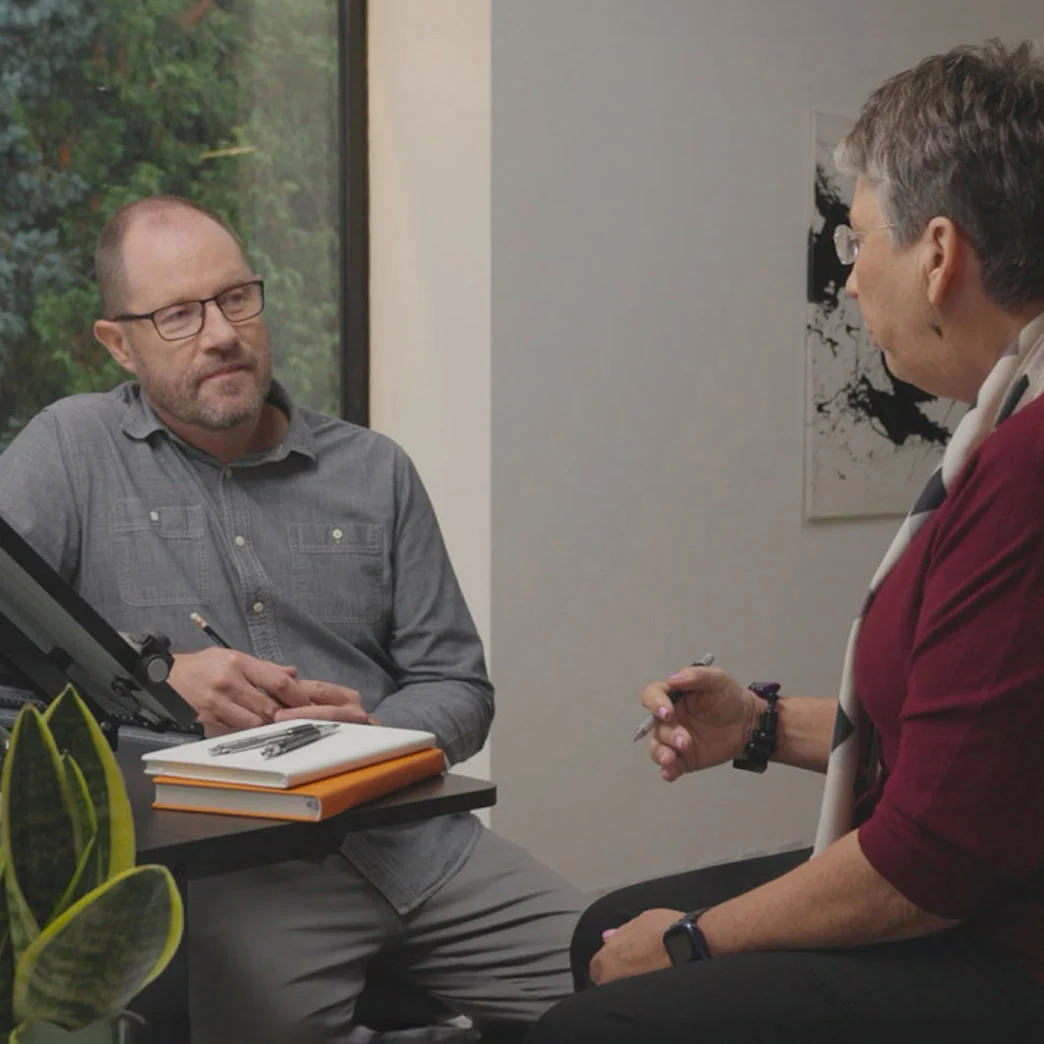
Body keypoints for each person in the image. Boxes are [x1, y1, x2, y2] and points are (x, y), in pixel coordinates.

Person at [527, 39, 1044, 1044]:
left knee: (607, 1013)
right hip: (981, 896)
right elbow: (980, 745)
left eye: (861, 246)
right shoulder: (1009, 424)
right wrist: (758, 727)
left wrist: (690, 942)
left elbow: (926, 859)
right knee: (601, 930)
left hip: (1006, 948)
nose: (850, 285)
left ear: (938, 255)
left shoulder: (1025, 472)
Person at [0, 194, 583, 1044]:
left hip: (421, 847)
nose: (222, 332)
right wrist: (155, 675)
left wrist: (369, 737)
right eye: (177, 315)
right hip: (232, 881)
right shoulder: (67, 452)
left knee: (630, 985)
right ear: (117, 343)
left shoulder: (375, 469)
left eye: (237, 297)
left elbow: (458, 685)